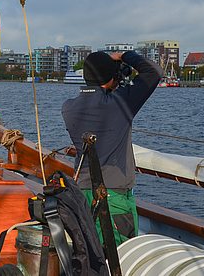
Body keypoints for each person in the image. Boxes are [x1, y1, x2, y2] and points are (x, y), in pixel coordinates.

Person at [61, 50, 162, 246]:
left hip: (82, 194)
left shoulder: (68, 107)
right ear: (111, 77)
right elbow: (153, 72)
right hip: (114, 198)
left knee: (91, 255)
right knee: (119, 258)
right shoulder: (119, 103)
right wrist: (124, 56)